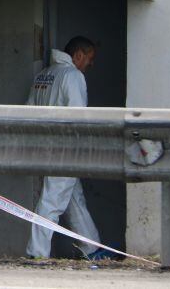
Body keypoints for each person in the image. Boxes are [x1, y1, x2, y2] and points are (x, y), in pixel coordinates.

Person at [25, 36, 112, 260]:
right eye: (90, 58)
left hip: (43, 148)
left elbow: (27, 111)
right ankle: (36, 253)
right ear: (79, 55)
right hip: (64, 150)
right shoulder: (73, 76)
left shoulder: (43, 75)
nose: (91, 64)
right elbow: (78, 117)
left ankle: (91, 248)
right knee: (51, 203)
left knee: (74, 200)